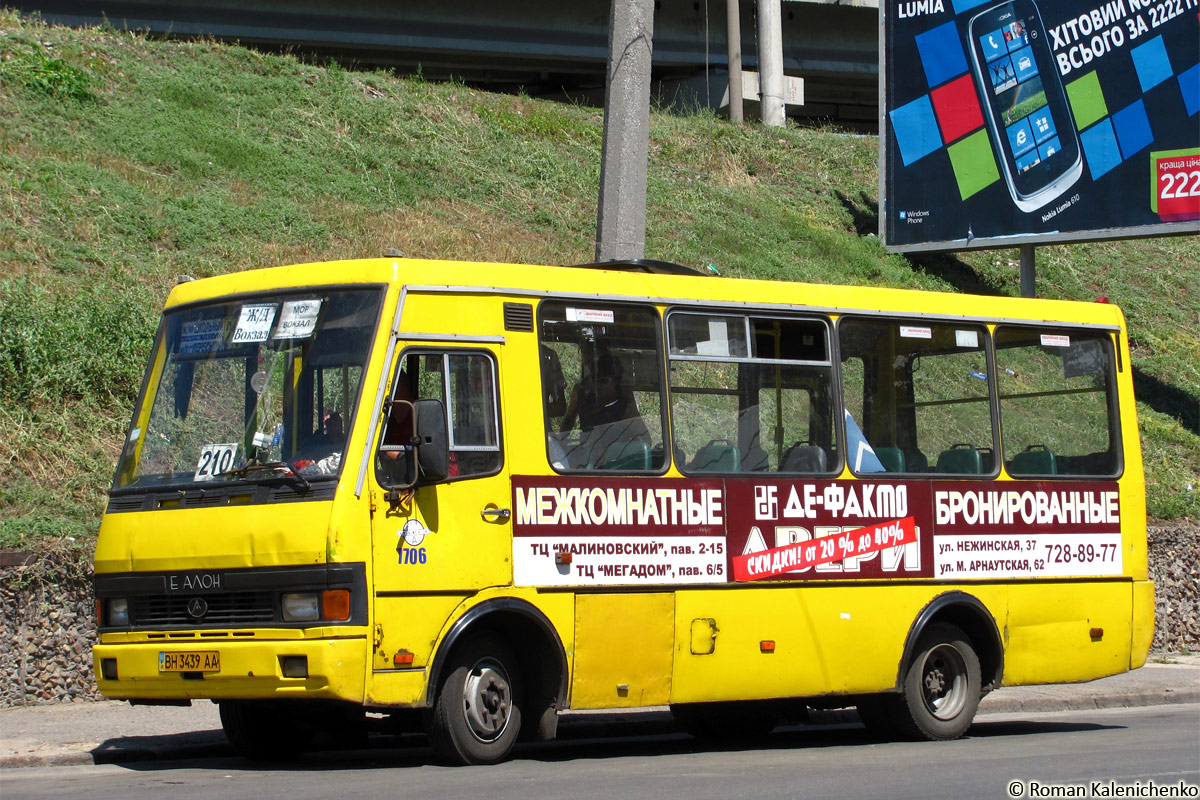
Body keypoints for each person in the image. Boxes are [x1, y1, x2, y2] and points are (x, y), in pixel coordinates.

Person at [560, 349, 649, 468]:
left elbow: (646, 439)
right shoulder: (583, 398)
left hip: (613, 464)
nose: (597, 386)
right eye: (594, 380)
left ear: (615, 382)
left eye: (603, 381)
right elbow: (568, 420)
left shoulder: (624, 407)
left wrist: (618, 449)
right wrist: (561, 442)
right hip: (585, 461)